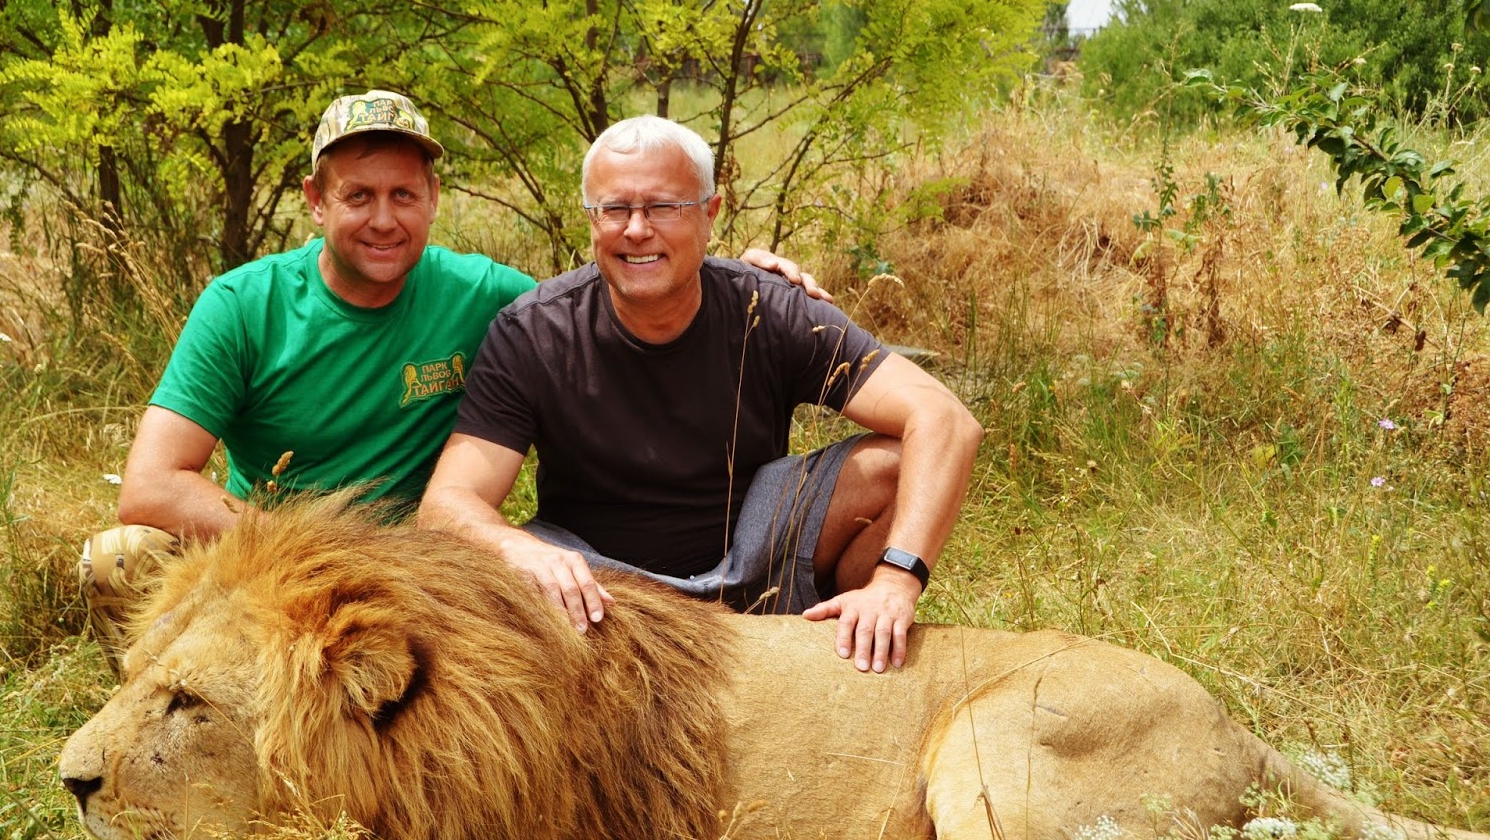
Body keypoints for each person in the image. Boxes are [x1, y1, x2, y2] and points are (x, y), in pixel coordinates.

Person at [81, 92, 822, 670]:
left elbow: (615, 294)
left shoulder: (485, 293)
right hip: (272, 556)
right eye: (358, 195)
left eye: (403, 195)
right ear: (315, 199)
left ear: (433, 196)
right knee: (120, 556)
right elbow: (151, 484)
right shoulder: (243, 305)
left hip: (426, 578)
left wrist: (733, 276)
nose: (383, 219)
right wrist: (310, 548)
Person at [417, 115, 983, 674]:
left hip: (758, 566)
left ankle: (847, 642)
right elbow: (446, 504)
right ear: (591, 218)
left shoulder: (770, 307)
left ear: (710, 213)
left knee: (896, 464)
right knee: (474, 580)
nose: (636, 229)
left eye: (663, 206)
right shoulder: (533, 331)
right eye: (614, 209)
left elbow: (945, 419)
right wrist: (520, 550)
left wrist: (896, 580)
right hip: (597, 588)